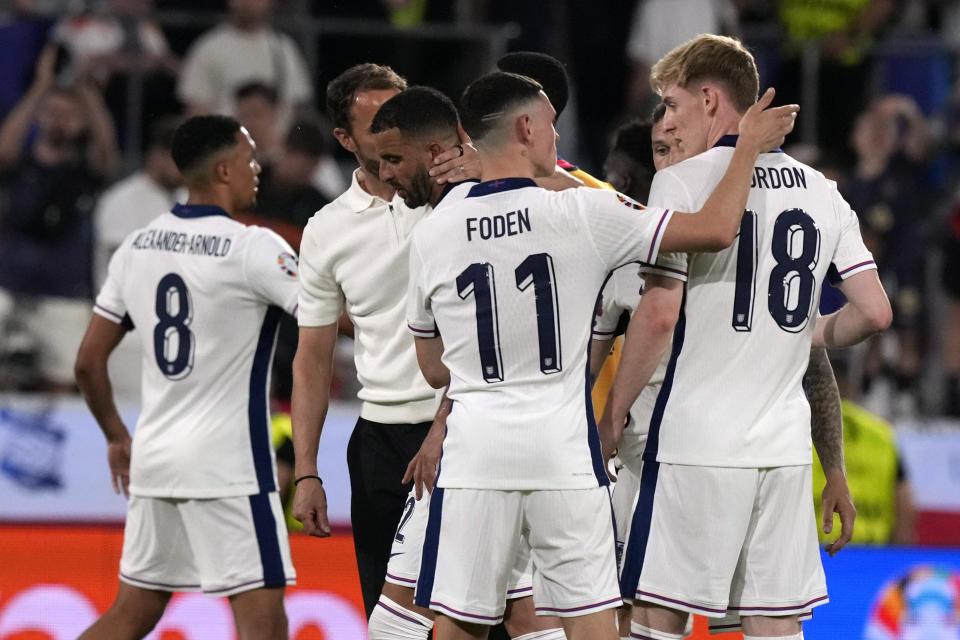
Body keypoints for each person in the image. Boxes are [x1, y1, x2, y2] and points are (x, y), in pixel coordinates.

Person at [405, 70, 797, 640]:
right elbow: (714, 230)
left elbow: (432, 364)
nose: (557, 140)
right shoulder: (584, 217)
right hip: (564, 454)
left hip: (476, 454)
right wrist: (746, 150)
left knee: (458, 625)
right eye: (550, 127)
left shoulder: (434, 232)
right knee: (592, 626)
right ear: (524, 127)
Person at [601, 34, 892, 640]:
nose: (670, 124)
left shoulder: (683, 183)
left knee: (658, 620)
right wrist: (799, 332)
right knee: (773, 627)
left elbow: (658, 315)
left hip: (693, 445)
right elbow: (874, 313)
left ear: (710, 99)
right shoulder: (822, 191)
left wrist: (612, 415)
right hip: (783, 453)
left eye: (674, 106)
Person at [74, 115, 299, 640]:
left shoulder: (138, 246)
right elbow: (329, 317)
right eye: (248, 160)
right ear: (223, 169)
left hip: (155, 457)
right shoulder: (253, 248)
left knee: (131, 614)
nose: (256, 170)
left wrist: (115, 436)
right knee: (264, 626)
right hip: (230, 466)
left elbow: (87, 362)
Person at [367, 86, 563, 640]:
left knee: (395, 621)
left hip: (473, 445)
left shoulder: (445, 228)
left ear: (438, 151)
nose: (385, 175)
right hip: (539, 437)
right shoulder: (540, 203)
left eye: (394, 159)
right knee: (525, 612)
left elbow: (442, 368)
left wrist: (443, 424)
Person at [290, 63, 478, 618]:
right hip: (378, 446)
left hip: (466, 430)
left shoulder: (471, 201)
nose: (397, 129)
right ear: (346, 139)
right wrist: (306, 471)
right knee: (391, 620)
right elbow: (311, 358)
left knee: (479, 614)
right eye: (379, 124)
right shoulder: (327, 228)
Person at [0, 44, 118, 391]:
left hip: (64, 290)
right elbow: (4, 150)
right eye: (53, 112)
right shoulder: (21, 164)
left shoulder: (85, 171)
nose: (60, 121)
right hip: (9, 283)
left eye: (69, 115)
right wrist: (40, 87)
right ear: (40, 115)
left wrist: (87, 92)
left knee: (62, 381)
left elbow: (107, 152)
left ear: (81, 122)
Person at [92, 116, 184, 400]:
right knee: (132, 423)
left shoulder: (189, 198)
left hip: (175, 336)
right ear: (156, 155)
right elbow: (126, 267)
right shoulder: (122, 199)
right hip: (127, 338)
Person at [177, 0, 312, 127]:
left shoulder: (284, 49)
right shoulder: (207, 48)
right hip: (225, 147)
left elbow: (293, 109)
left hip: (272, 148)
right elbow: (196, 112)